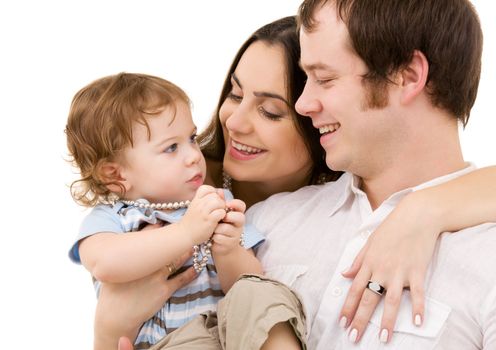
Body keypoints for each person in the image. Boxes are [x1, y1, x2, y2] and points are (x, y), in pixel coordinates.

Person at [104, 13, 496, 350]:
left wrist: (422, 211)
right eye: (236, 94)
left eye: (323, 79)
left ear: (408, 76)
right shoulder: (262, 223)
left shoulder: (480, 252)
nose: (307, 105)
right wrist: (110, 327)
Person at [65, 73, 265, 349]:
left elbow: (255, 287)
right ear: (116, 175)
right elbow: (105, 263)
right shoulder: (113, 216)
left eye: (192, 138)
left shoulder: (216, 201)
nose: (195, 155)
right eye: (171, 147)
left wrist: (229, 250)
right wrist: (186, 232)